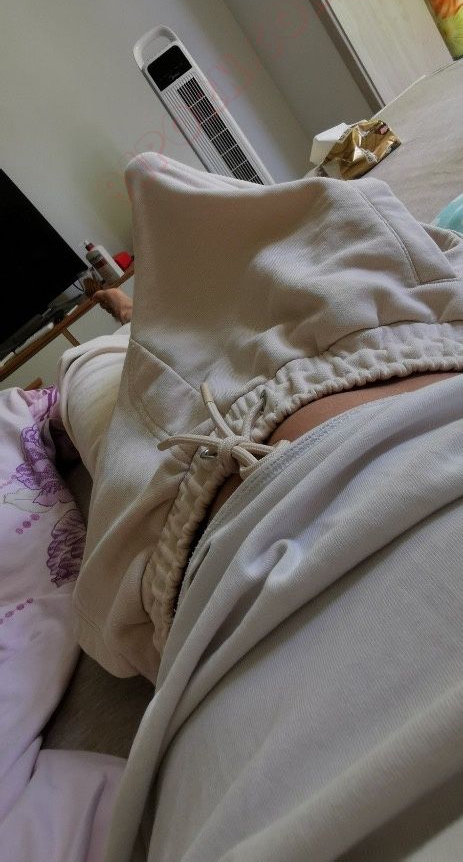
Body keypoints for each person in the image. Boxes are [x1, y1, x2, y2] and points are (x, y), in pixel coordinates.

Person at [57, 154, 463, 862]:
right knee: (245, 236)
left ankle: (130, 318)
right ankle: (134, 315)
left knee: (84, 375)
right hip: (391, 355)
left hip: (178, 522)